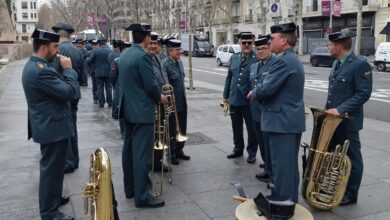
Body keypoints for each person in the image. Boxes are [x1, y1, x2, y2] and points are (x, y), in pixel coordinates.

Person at [22, 29, 79, 220]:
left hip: (50, 125)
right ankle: (49, 212)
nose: (58, 51)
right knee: (51, 171)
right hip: (52, 128)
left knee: (54, 169)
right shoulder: (40, 71)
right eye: (55, 47)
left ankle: (53, 199)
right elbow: (70, 92)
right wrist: (69, 70)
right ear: (44, 47)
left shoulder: (39, 66)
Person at [252, 22, 305, 203]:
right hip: (287, 121)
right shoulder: (290, 59)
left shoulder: (282, 61)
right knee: (287, 168)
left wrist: (255, 92)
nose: (270, 41)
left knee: (283, 170)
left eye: (272, 38)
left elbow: (265, 90)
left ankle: (284, 206)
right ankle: (288, 203)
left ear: (283, 40)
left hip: (282, 122)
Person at [119, 23, 168, 208]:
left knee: (129, 153)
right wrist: (160, 97)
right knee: (142, 156)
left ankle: (130, 189)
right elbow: (151, 86)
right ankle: (143, 196)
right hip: (142, 112)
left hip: (128, 110)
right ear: (146, 37)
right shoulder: (143, 57)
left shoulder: (125, 55)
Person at [326, 28, 373, 206]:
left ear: (339, 46)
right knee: (334, 157)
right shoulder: (337, 63)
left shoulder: (360, 63)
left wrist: (340, 109)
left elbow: (363, 93)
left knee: (353, 159)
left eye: (330, 44)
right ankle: (336, 187)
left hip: (349, 121)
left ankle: (351, 194)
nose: (328, 47)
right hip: (333, 121)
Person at [51, 23, 83, 174]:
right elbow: (83, 75)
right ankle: (74, 159)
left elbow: (56, 72)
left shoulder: (60, 50)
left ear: (59, 35)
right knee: (72, 126)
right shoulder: (77, 49)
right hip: (75, 91)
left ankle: (69, 161)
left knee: (67, 127)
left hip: (65, 91)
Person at [223, 32, 258, 163]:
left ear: (253, 42)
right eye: (244, 43)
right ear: (240, 43)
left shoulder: (257, 58)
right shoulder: (234, 57)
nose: (247, 45)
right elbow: (229, 78)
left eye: (249, 42)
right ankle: (238, 149)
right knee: (236, 127)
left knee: (251, 129)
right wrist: (225, 95)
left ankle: (252, 152)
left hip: (249, 100)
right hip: (234, 98)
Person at [247, 35, 276, 183]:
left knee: (269, 145)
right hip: (255, 111)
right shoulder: (254, 66)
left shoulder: (274, 64)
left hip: (267, 111)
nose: (260, 51)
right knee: (261, 143)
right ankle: (267, 168)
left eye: (263, 48)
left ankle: (271, 172)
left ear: (270, 48)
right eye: (257, 49)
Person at [163, 39, 191, 165]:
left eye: (180, 49)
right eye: (177, 50)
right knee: (172, 129)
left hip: (182, 102)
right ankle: (171, 153)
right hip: (172, 104)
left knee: (182, 129)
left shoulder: (178, 63)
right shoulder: (165, 65)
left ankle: (180, 150)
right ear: (170, 51)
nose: (180, 52)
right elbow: (165, 86)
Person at [146, 32, 171, 171]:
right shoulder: (145, 59)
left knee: (161, 133)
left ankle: (157, 160)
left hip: (162, 102)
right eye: (151, 43)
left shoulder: (157, 58)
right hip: (153, 103)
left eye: (155, 44)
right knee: (154, 134)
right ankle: (153, 162)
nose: (153, 46)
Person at [89, 37, 113, 108]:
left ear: (98, 43)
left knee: (100, 87)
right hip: (108, 72)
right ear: (105, 42)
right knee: (109, 87)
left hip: (98, 72)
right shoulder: (109, 51)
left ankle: (101, 103)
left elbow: (91, 60)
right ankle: (110, 102)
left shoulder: (96, 51)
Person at [108, 40, 122, 118]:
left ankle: (115, 113)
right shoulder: (120, 56)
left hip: (116, 78)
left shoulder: (110, 55)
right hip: (119, 79)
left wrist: (113, 83)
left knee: (116, 97)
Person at [86, 40, 99, 104]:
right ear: (92, 46)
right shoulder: (89, 52)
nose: (95, 46)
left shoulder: (99, 52)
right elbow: (87, 61)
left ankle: (99, 97)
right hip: (93, 70)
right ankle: (95, 98)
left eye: (96, 45)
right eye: (94, 45)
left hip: (98, 70)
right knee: (94, 85)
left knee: (99, 85)